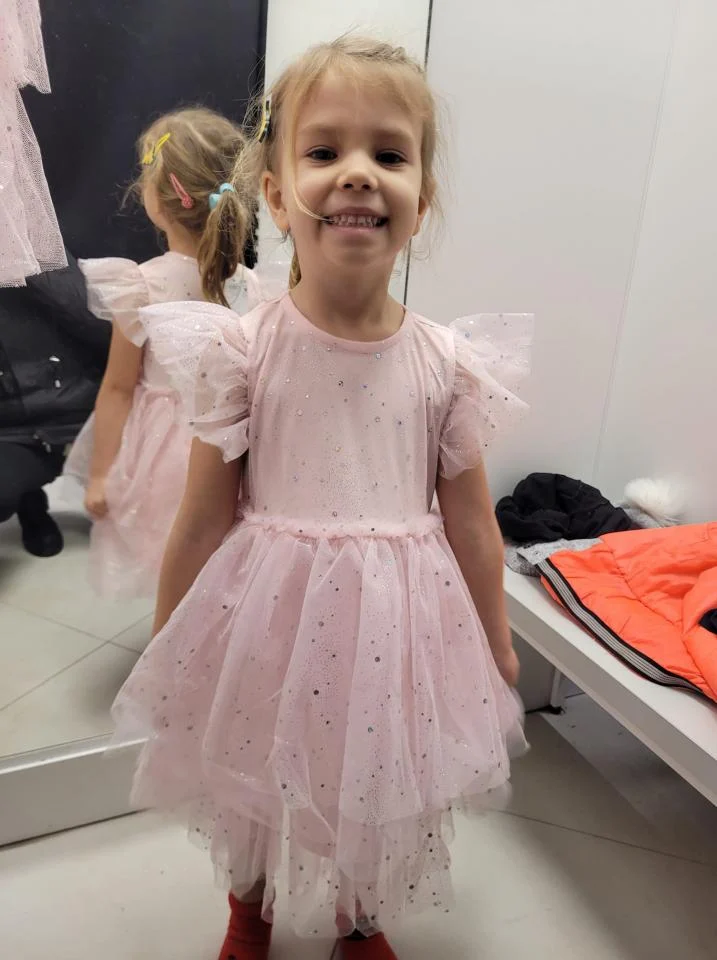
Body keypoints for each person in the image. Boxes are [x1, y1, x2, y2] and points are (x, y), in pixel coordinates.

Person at [112, 37, 532, 960]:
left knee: (376, 781)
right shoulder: (241, 350)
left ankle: (360, 916)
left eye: (388, 153)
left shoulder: (448, 363)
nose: (357, 172)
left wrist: (496, 639)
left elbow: (472, 521)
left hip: (399, 625)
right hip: (271, 615)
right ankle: (249, 906)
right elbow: (201, 516)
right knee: (257, 770)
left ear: (421, 200)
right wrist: (171, 636)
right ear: (274, 194)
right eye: (323, 150)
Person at [63, 107, 262, 597]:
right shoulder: (257, 288)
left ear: (160, 199)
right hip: (229, 458)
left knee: (176, 563)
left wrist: (101, 474)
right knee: (213, 567)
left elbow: (118, 387)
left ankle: (176, 631)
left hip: (163, 462)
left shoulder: (142, 287)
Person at [0, 249, 110, 557]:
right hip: (11, 426)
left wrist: (30, 263)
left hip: (79, 403)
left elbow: (98, 321)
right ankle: (30, 502)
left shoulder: (34, 242)